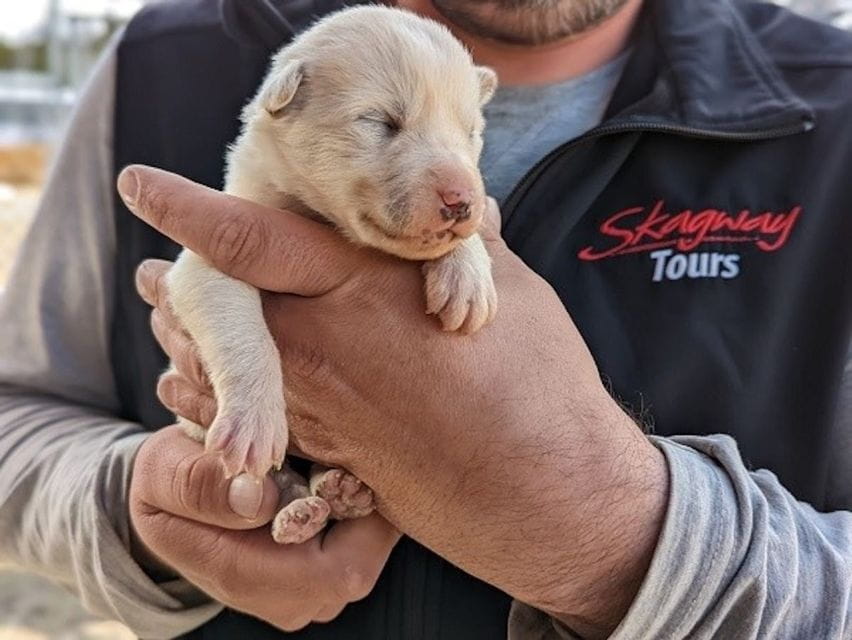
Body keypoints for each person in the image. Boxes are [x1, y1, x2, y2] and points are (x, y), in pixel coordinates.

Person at [0, 0, 850, 638]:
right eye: (383, 126)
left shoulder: (834, 109)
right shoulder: (160, 62)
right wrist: (136, 510)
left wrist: (626, 540)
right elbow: (16, 419)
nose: (457, 183)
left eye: (465, 138)